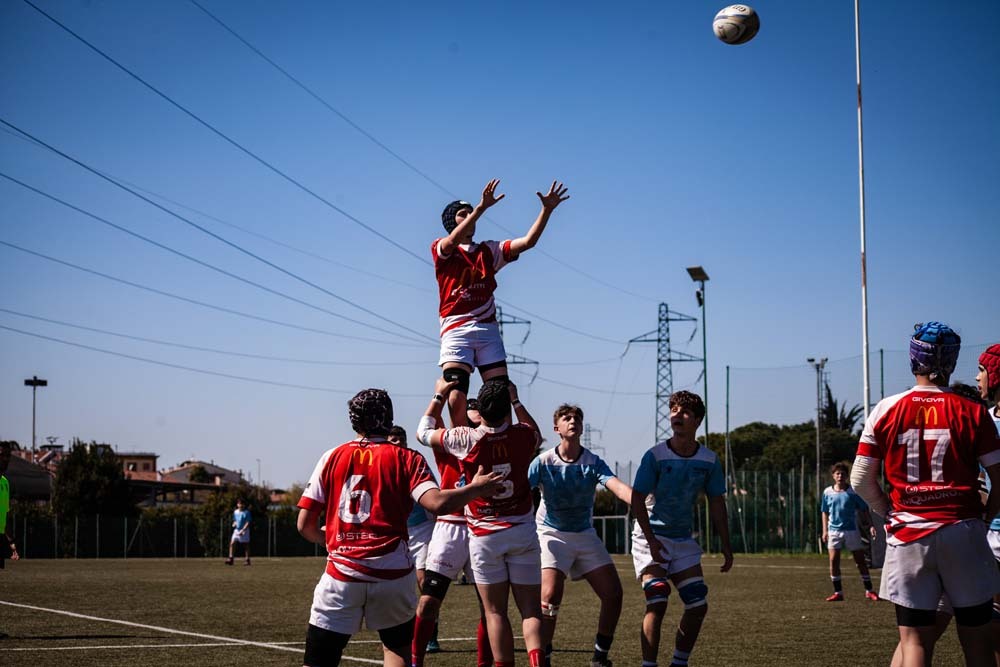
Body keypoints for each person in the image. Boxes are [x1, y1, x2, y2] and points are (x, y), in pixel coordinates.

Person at [296, 388, 502, 667]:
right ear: (389, 417)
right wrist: (477, 488)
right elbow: (436, 503)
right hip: (392, 574)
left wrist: (337, 540)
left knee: (319, 660)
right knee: (396, 653)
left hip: (341, 576)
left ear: (353, 420)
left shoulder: (331, 456)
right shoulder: (406, 457)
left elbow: (305, 526)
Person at [851, 322, 1000, 667]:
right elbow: (998, 477)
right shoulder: (973, 411)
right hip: (962, 530)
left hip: (909, 536)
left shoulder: (886, 408)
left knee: (915, 642)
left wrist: (888, 511)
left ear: (913, 359)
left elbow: (860, 478)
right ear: (952, 362)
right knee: (977, 640)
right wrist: (986, 518)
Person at [418, 377, 545, 667]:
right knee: (530, 612)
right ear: (506, 409)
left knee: (495, 613)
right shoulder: (522, 435)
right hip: (522, 530)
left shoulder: (466, 438)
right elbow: (535, 432)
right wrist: (516, 400)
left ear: (482, 411)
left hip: (485, 534)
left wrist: (438, 396)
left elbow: (423, 432)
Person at [434, 178, 569, 427]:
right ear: (451, 221)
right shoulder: (442, 249)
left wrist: (547, 210)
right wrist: (481, 208)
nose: (470, 217)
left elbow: (527, 242)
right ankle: (461, 440)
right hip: (456, 329)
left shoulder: (489, 250)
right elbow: (451, 242)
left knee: (500, 395)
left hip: (487, 330)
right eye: (463, 214)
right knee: (455, 394)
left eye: (471, 212)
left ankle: (503, 441)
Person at [629, 390, 733, 667]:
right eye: (674, 409)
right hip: (650, 536)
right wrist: (651, 540)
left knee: (698, 604)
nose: (677, 414)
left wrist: (726, 545)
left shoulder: (709, 460)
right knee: (658, 598)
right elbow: (637, 499)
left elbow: (717, 503)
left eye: (685, 411)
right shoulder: (656, 456)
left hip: (682, 539)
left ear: (697, 421)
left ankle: (679, 663)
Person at [528, 403, 634, 667]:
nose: (572, 420)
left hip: (584, 534)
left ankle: (600, 656)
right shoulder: (542, 462)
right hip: (551, 533)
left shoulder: (593, 462)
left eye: (576, 417)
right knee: (549, 597)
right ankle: (545, 657)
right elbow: (519, 491)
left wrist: (640, 500)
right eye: (566, 417)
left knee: (613, 594)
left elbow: (617, 487)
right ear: (557, 428)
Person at [410, 406, 494, 666]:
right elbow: (430, 423)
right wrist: (441, 393)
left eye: (477, 419)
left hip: (483, 527)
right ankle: (415, 661)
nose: (472, 424)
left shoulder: (492, 443)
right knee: (428, 602)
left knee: (489, 608)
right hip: (450, 527)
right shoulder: (448, 442)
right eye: (468, 417)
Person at [388, 427, 435, 599]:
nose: (399, 442)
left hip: (423, 527)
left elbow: (433, 495)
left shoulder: (415, 460)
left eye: (402, 439)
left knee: (423, 578)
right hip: (396, 530)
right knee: (397, 581)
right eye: (394, 440)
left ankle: (430, 614)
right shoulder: (381, 464)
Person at [820, 461, 878, 602]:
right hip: (834, 531)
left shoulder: (853, 492)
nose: (840, 476)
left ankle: (869, 591)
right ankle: (838, 593)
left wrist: (871, 525)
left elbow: (864, 509)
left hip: (851, 530)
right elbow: (824, 512)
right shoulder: (827, 492)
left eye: (843, 474)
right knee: (833, 561)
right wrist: (825, 531)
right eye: (837, 474)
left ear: (847, 476)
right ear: (833, 476)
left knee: (860, 561)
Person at [976, 344, 1000, 664]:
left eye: (982, 370)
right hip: (991, 532)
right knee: (994, 621)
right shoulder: (984, 420)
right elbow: (982, 480)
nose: (977, 377)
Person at [1, 441, 20, 570]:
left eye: (8, 455)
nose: (5, 459)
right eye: (2, 455)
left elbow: (4, 516)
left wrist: (11, 542)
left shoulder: (5, 483)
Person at [226, 498, 251, 566]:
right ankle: (231, 559)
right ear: (237, 505)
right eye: (239, 504)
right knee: (232, 543)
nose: (241, 505)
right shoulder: (235, 512)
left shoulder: (247, 512)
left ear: (244, 505)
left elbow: (248, 522)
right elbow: (235, 520)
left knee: (246, 545)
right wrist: (234, 523)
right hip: (236, 530)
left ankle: (247, 560)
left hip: (244, 530)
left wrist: (243, 530)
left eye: (242, 504)